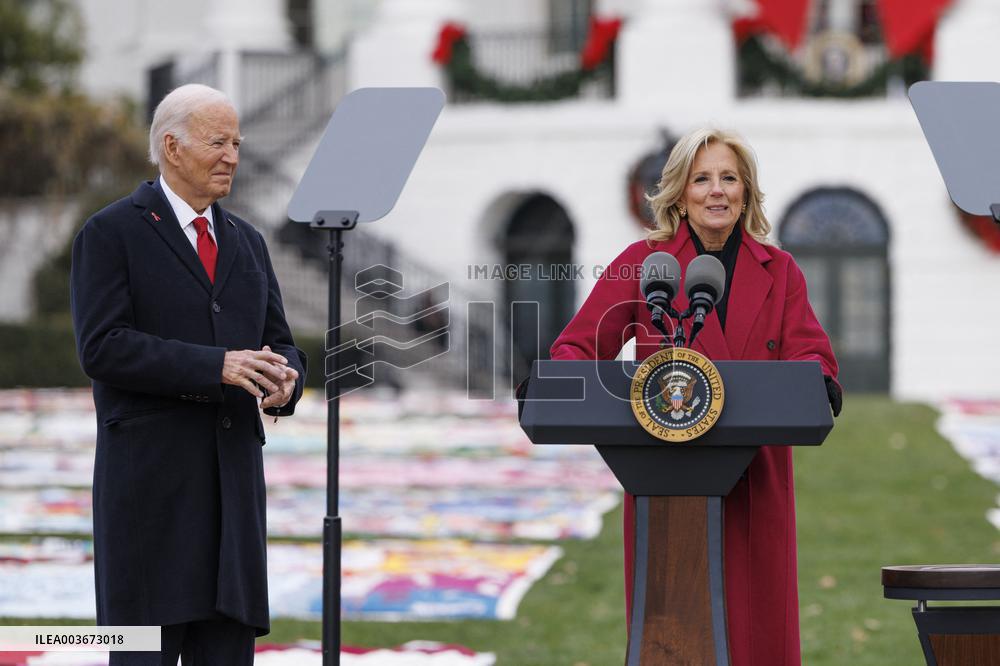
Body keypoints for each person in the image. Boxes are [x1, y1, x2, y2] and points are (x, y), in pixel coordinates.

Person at [548, 127, 841, 665]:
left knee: (757, 632)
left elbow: (810, 352)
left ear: (746, 191)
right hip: (665, 477)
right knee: (673, 628)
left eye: (729, 178)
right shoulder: (645, 263)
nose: (716, 191)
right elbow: (580, 344)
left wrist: (817, 380)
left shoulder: (780, 271)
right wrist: (557, 381)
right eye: (702, 179)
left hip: (754, 480)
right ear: (680, 193)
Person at [70, 83, 307, 665]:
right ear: (172, 147)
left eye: (237, 144)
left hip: (232, 503)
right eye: (218, 142)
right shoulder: (110, 233)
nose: (232, 157)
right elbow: (102, 347)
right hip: (151, 498)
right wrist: (215, 366)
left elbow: (278, 341)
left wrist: (287, 380)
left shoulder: (248, 241)